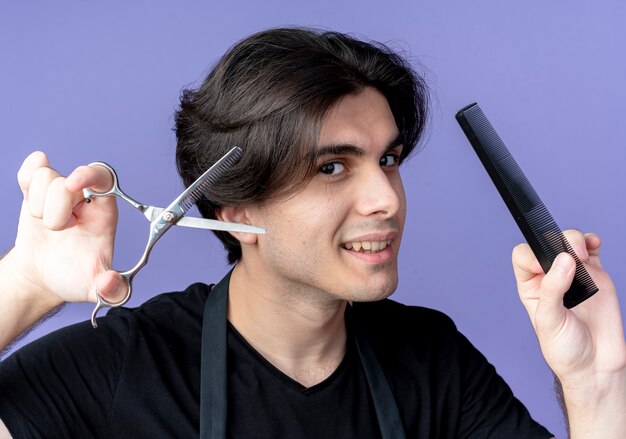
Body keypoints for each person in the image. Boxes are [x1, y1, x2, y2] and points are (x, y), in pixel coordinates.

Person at [0, 27, 624, 438]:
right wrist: (24, 286)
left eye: (388, 159)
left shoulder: (430, 361)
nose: (387, 198)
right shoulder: (122, 367)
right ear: (235, 209)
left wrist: (595, 381)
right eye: (332, 167)